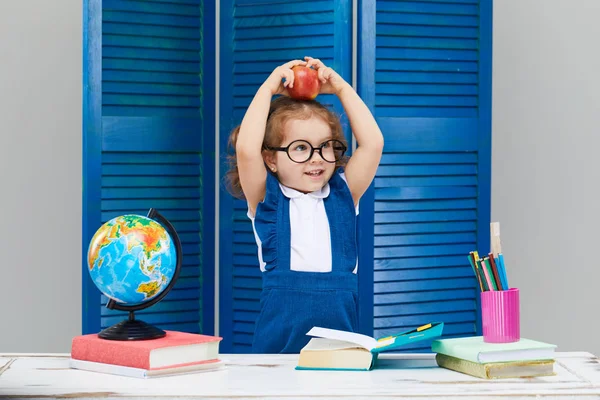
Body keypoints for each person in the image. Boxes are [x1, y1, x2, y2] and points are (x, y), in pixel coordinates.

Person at [225, 56, 384, 353]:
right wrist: (269, 86)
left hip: (339, 352)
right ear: (270, 159)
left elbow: (373, 143)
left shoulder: (344, 194)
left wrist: (339, 87)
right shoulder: (265, 198)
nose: (317, 157)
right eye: (300, 147)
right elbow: (247, 148)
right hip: (276, 350)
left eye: (326, 146)